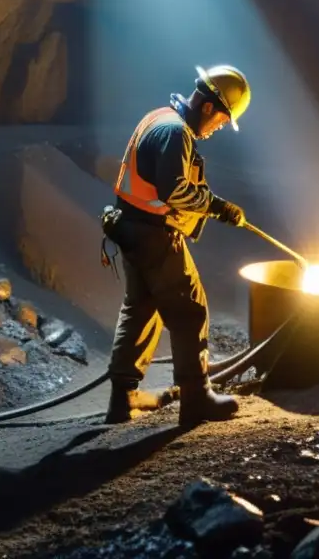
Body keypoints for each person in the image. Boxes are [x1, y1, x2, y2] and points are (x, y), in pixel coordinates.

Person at [102, 65, 251, 427]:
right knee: (189, 310)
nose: (217, 129)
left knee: (140, 309)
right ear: (209, 108)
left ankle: (121, 400)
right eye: (221, 120)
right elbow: (174, 191)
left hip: (129, 230)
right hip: (154, 236)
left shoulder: (159, 116)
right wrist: (217, 206)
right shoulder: (175, 132)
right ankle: (196, 398)